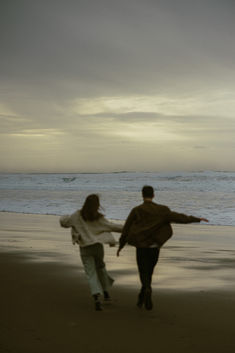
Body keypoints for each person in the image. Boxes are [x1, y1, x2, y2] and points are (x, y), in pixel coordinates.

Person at [117, 185, 208, 311]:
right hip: (155, 245)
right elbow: (179, 217)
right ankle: (144, 292)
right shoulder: (163, 210)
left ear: (142, 195)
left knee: (143, 271)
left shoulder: (137, 210)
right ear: (153, 195)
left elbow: (126, 228)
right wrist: (196, 219)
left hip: (141, 246)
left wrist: (121, 246)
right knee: (150, 270)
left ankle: (146, 290)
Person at [60, 194, 123, 311]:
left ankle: (96, 297)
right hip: (97, 247)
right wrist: (129, 228)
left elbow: (64, 223)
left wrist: (63, 217)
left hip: (85, 248)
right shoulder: (99, 218)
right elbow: (112, 227)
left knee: (91, 272)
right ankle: (106, 292)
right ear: (97, 205)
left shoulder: (76, 215)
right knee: (100, 267)